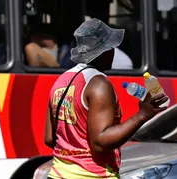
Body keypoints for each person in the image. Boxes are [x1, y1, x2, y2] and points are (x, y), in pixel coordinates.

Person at [44, 18, 168, 179]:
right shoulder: (99, 84)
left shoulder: (61, 81)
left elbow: (49, 138)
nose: (113, 52)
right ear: (104, 51)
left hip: (57, 174)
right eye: (111, 47)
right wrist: (142, 115)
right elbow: (100, 144)